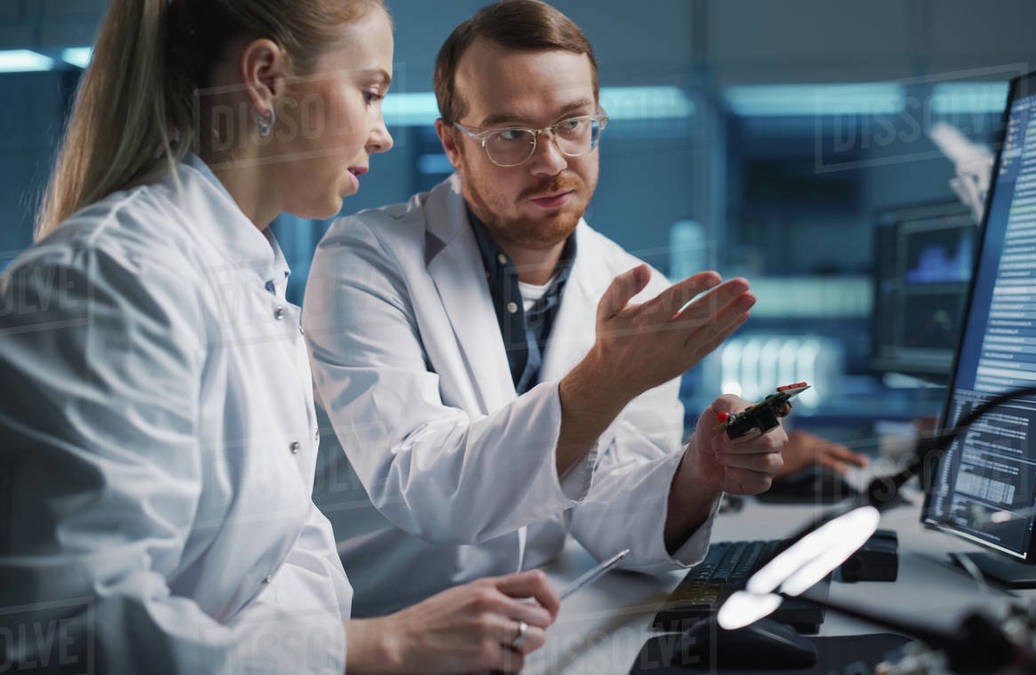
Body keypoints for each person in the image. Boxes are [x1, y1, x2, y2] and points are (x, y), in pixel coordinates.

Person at [0, 1, 554, 672]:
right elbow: (72, 630)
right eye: (368, 92)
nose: (380, 134)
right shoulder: (109, 279)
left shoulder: (254, 287)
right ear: (264, 78)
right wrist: (388, 644)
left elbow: (286, 564)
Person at [302, 0, 795, 617]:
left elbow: (613, 517)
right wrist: (606, 379)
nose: (552, 161)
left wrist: (699, 470)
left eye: (571, 123)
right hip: (389, 622)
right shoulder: (365, 258)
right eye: (511, 134)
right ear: (454, 145)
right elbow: (423, 485)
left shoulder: (629, 285)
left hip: (535, 622)